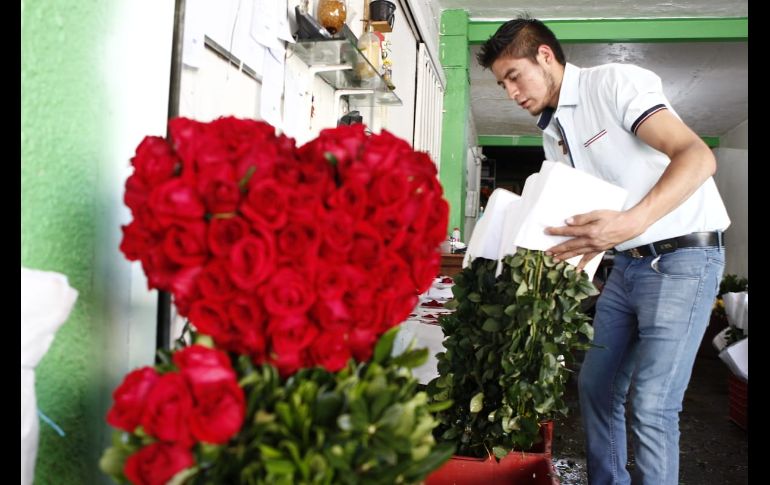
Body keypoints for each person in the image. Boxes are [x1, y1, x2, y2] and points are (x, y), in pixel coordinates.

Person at [477, 16, 730, 485]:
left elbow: (698, 156)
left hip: (683, 260)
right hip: (628, 265)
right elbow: (583, 219)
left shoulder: (613, 83)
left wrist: (631, 221)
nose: (510, 92)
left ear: (545, 56)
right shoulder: (553, 133)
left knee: (652, 404)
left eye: (514, 76)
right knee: (596, 384)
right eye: (501, 84)